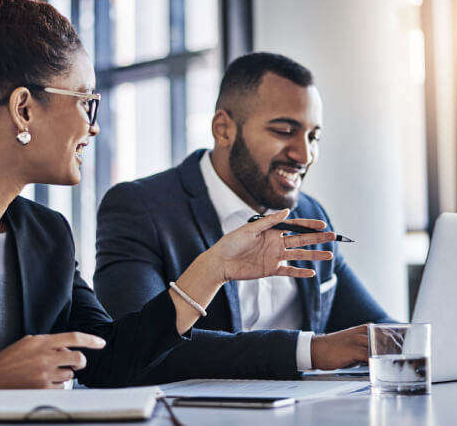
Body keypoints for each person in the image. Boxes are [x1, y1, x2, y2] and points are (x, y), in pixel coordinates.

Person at [0, 0, 338, 409]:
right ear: (23, 108)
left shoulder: (47, 236)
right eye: (85, 102)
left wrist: (213, 269)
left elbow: (108, 362)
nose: (94, 125)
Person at [95, 52, 392, 383]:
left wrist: (419, 341)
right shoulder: (140, 208)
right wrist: (311, 351)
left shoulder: (310, 214)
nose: (304, 155)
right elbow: (136, 348)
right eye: (284, 130)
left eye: (312, 137)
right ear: (223, 130)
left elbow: (374, 330)